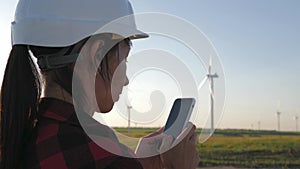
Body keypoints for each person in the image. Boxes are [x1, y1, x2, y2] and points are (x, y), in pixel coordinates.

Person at [0, 0, 200, 169]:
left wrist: (136, 163)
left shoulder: (25, 134)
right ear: (97, 54)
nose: (126, 80)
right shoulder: (104, 157)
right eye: (125, 60)